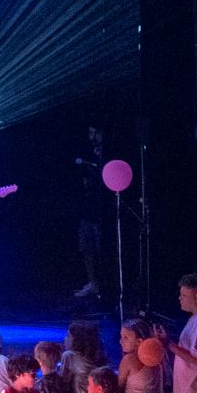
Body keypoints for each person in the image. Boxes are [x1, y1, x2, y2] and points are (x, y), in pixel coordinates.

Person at [74, 125, 109, 299]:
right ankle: (93, 283)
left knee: (102, 249)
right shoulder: (86, 154)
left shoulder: (109, 153)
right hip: (87, 209)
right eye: (90, 133)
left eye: (96, 132)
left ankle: (106, 284)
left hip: (104, 210)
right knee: (87, 248)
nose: (93, 137)